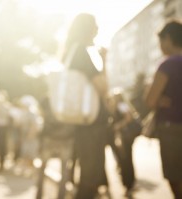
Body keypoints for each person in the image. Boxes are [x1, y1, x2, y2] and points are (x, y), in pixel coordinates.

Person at [63, 13, 110, 199]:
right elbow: (103, 87)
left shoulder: (71, 52)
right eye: (95, 26)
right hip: (91, 121)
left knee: (88, 172)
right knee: (91, 174)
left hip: (83, 120)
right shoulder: (81, 53)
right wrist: (104, 60)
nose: (97, 30)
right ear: (87, 29)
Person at [146, 20, 182, 199]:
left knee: (176, 178)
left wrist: (159, 100)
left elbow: (150, 100)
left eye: (160, 41)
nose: (159, 46)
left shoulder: (167, 65)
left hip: (172, 129)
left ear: (168, 39)